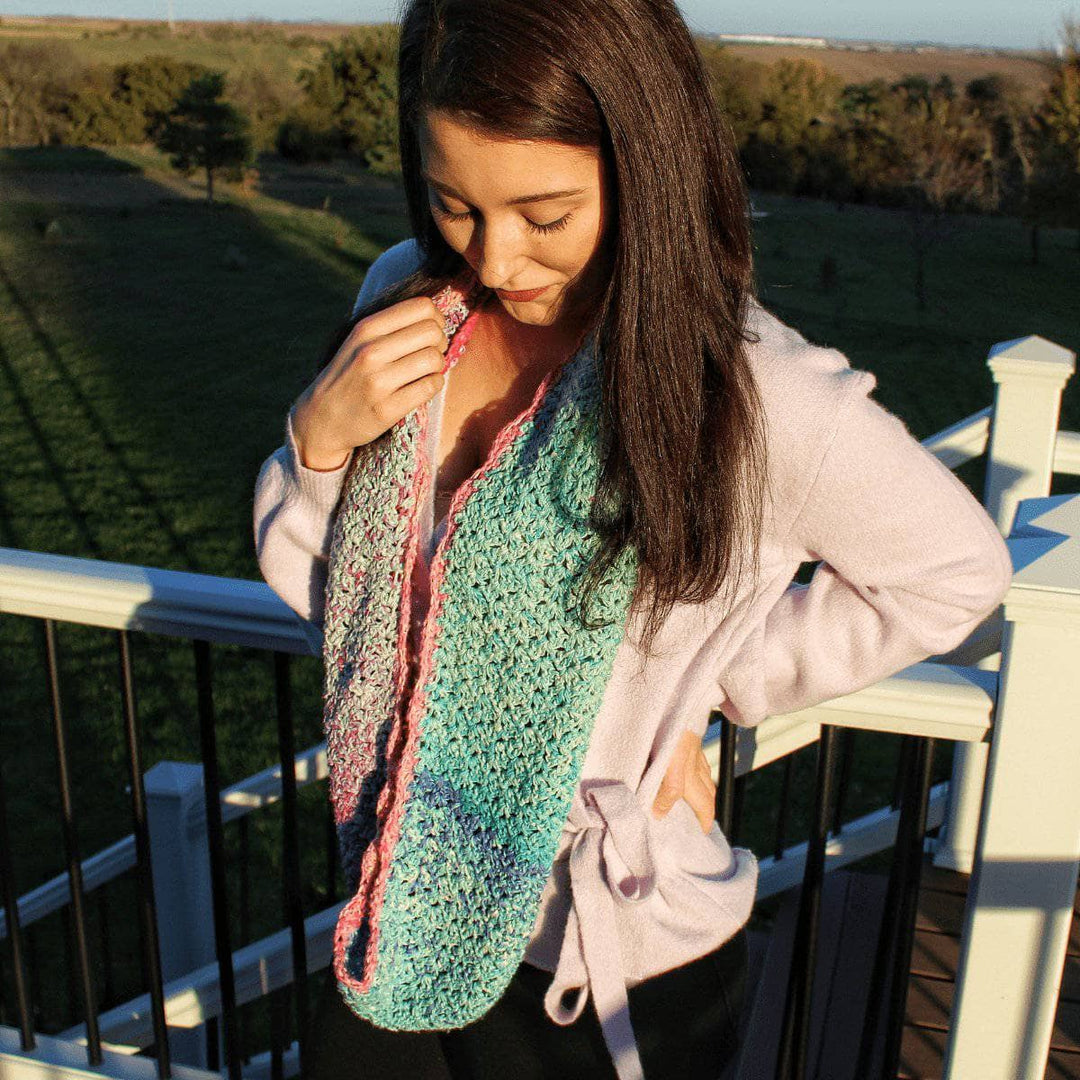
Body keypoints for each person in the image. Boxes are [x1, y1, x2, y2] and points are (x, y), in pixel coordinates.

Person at [252, 1, 1014, 1078]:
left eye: (545, 214)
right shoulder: (412, 299)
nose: (496, 254)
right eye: (452, 202)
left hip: (609, 962)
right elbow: (331, 596)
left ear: (644, 164)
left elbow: (954, 573)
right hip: (401, 890)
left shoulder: (752, 391)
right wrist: (319, 444)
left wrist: (701, 686)